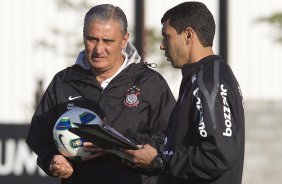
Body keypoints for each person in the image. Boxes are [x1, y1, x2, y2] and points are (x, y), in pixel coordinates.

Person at [26, 4, 176, 184]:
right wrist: (52, 159)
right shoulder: (64, 82)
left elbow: (172, 138)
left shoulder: (150, 83)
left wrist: (118, 144)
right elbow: (38, 135)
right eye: (92, 39)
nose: (98, 49)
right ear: (83, 37)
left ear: (124, 40)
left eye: (107, 41)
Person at [125, 2, 245, 184]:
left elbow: (217, 156)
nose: (162, 46)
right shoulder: (200, 77)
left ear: (188, 35)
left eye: (167, 37)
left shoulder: (209, 83)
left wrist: (159, 160)